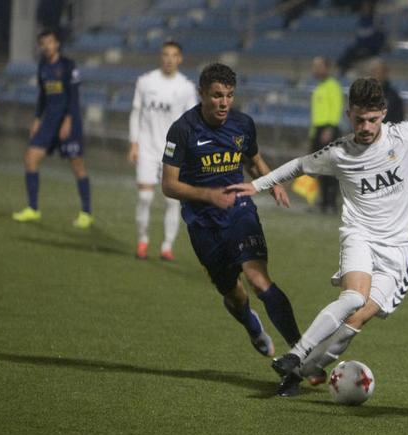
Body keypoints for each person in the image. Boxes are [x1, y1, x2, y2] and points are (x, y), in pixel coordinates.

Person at [230, 51, 408, 397]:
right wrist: (258, 185)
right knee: (353, 297)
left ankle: (302, 371)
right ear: (348, 115)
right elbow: (297, 165)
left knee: (356, 319)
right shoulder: (339, 153)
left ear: (383, 114)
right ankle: (296, 353)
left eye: (372, 119)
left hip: (397, 251)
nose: (366, 128)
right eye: (359, 120)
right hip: (360, 234)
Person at [161, 63, 301, 358]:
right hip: (202, 223)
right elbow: (169, 185)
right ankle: (252, 326)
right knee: (234, 294)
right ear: (201, 94)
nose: (224, 103)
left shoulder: (243, 124)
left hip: (240, 212)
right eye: (216, 95)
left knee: (258, 279)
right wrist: (207, 195)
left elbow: (253, 160)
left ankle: (302, 351)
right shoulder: (182, 130)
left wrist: (271, 181)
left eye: (229, 95)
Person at [12, 29, 92, 228]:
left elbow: (74, 98)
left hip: (69, 121)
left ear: (57, 44)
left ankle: (86, 212)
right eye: (43, 43)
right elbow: (42, 96)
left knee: (77, 166)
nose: (46, 46)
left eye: (50, 42)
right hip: (49, 121)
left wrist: (68, 120)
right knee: (30, 158)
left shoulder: (68, 66)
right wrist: (37, 119)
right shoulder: (42, 66)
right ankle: (32, 209)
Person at [128, 41, 198, 261]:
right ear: (161, 57)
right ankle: (142, 241)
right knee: (145, 197)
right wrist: (134, 143)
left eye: (174, 55)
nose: (169, 59)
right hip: (147, 148)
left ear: (180, 59)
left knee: (172, 200)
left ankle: (167, 246)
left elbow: (193, 123)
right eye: (166, 54)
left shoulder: (186, 87)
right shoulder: (145, 81)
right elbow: (136, 112)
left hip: (173, 152)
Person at [309, 56, 345, 213]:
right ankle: (323, 201)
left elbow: (336, 108)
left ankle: (331, 203)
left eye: (318, 66)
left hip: (328, 130)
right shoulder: (319, 87)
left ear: (326, 68)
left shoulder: (333, 86)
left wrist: (329, 128)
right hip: (318, 130)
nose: (315, 70)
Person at [368, 59, 404, 124]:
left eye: (380, 72)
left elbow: (398, 119)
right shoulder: (363, 93)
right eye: (375, 72)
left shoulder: (393, 96)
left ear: (385, 73)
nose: (377, 75)